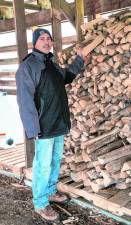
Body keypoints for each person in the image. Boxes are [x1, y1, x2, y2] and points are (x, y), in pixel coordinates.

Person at [16, 28, 85, 222]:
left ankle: (50, 191)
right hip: (44, 126)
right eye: (42, 39)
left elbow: (68, 76)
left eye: (49, 39)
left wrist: (80, 59)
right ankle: (40, 203)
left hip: (59, 123)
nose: (46, 42)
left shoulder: (51, 65)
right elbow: (25, 101)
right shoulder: (28, 67)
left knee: (54, 161)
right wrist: (33, 129)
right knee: (42, 166)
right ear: (35, 43)